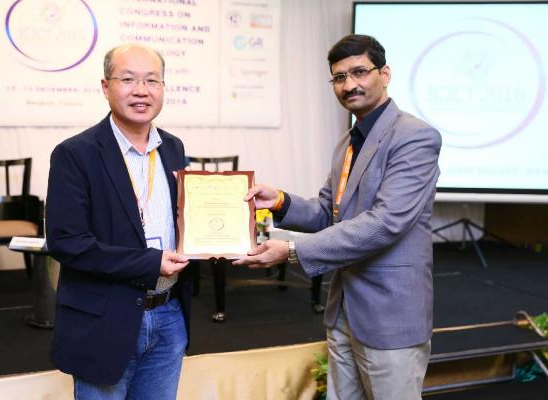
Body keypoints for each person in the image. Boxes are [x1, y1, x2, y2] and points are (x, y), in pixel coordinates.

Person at [234, 34, 442, 400]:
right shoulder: (347, 142)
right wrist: (279, 201)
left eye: (359, 72)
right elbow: (327, 211)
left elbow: (385, 223)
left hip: (389, 315)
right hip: (344, 309)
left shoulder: (414, 137)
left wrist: (292, 251)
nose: (349, 85)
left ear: (385, 74)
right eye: (339, 77)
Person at [46, 43, 191, 400]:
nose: (141, 91)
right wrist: (150, 263)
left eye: (152, 80)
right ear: (105, 86)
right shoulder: (75, 154)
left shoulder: (173, 148)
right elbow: (68, 243)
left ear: (163, 87)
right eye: (128, 79)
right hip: (105, 320)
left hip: (169, 313)